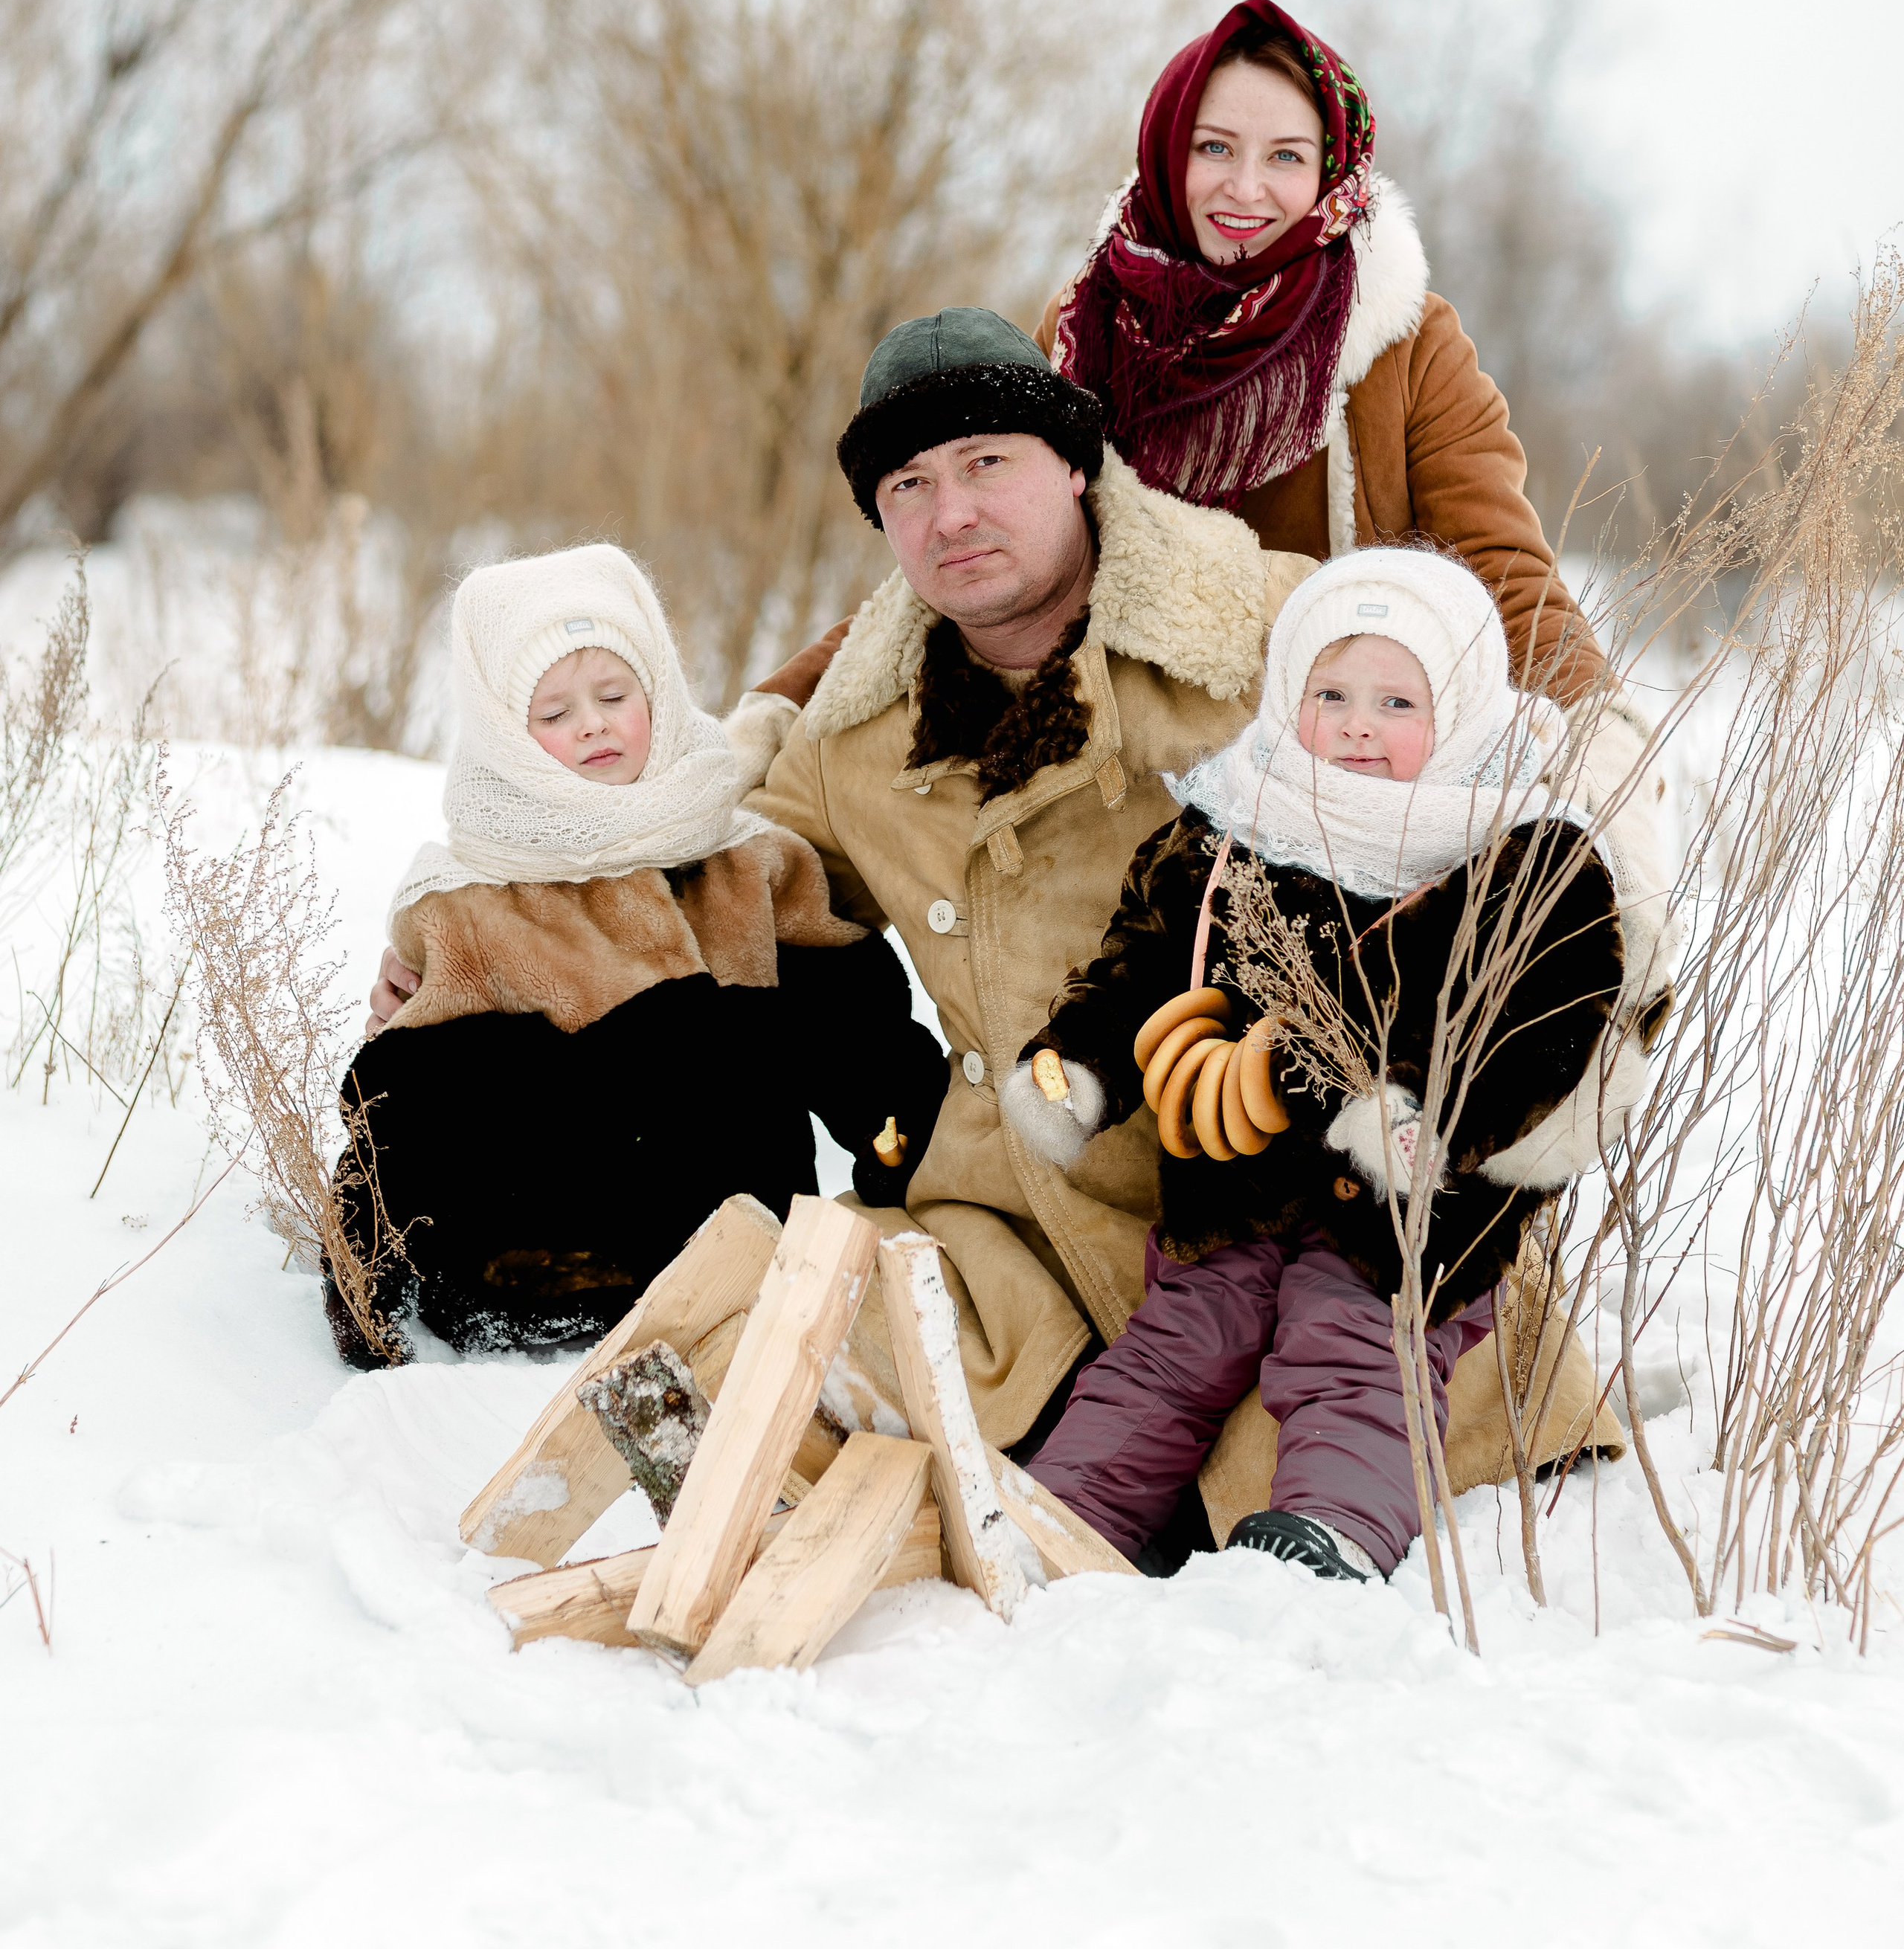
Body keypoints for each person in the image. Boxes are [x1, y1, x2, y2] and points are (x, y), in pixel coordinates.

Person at [747, 308, 1624, 1554]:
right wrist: (892, 1106)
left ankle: (1326, 1523)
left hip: (1347, 1203)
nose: (954, 514)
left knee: (1338, 1410)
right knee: (781, 1347)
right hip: (1036, 1226)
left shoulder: (1273, 628)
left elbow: (1489, 761)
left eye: (988, 462)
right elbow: (750, 895)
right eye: (909, 486)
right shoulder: (850, 741)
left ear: (1074, 464)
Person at [1000, 547, 1674, 1577]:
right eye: (1331, 695)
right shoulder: (1231, 831)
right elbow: (1142, 965)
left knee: (1357, 1339)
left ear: (1461, 712)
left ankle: (1334, 1533)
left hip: (1408, 1201)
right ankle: (1058, 1521)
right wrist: (1077, 1062)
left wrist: (1428, 1112)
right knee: (1175, 1344)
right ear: (1287, 697)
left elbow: (1545, 1017)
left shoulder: (1520, 852)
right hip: (1234, 1171)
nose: (1359, 725)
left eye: (1398, 702)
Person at [337, 543, 945, 1365]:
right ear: (505, 742)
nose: (592, 723)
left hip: (741, 1264)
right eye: (553, 714)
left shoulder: (745, 865)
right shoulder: (470, 902)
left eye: (615, 695)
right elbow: (401, 1109)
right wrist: (363, 1281)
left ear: (656, 692)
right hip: (534, 1281)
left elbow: (853, 1032)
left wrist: (914, 1154)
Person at [1038, 0, 1604, 703]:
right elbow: (1006, 558)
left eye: (1286, 156)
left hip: (1335, 750)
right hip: (1127, 747)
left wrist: (1598, 734)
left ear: (1330, 171)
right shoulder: (1082, 330)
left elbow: (1505, 577)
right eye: (1214, 147)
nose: (1246, 188)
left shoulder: (1408, 343)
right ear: (1164, 148)